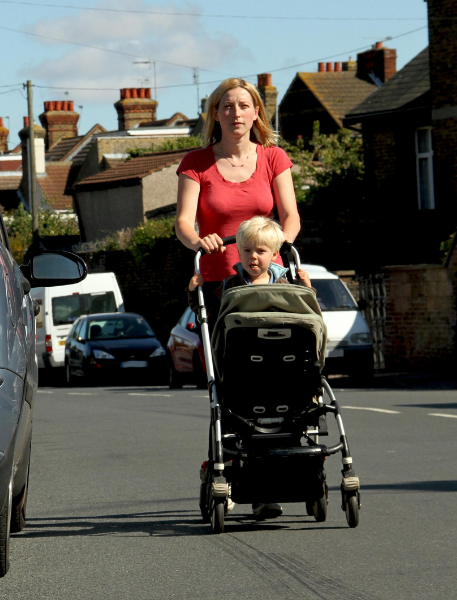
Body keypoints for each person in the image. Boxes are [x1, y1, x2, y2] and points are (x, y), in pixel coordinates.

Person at [191, 217, 311, 521]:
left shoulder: (288, 285)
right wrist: (195, 293)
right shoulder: (230, 286)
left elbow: (307, 322)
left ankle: (271, 492)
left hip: (286, 371)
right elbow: (211, 316)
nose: (253, 257)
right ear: (238, 254)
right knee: (237, 432)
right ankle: (235, 485)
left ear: (274, 254)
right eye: (246, 251)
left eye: (260, 251)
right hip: (242, 373)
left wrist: (308, 290)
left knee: (286, 432)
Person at [175, 77, 300, 332]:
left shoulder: (274, 157)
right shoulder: (195, 162)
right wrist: (198, 242)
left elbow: (290, 215)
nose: (236, 113)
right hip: (217, 282)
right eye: (228, 106)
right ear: (216, 114)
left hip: (267, 278)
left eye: (244, 106)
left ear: (256, 113)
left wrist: (283, 242)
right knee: (226, 361)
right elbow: (183, 222)